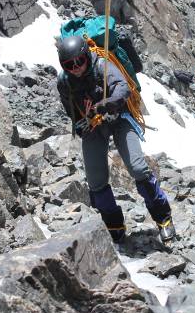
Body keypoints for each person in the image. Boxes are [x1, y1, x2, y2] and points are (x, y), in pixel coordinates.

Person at [55, 35, 176, 243]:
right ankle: (114, 226)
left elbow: (123, 88)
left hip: (120, 118)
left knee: (138, 168)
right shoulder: (64, 82)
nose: (75, 67)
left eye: (79, 61)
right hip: (93, 125)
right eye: (69, 65)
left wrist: (108, 103)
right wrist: (82, 124)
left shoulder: (102, 64)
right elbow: (71, 111)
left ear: (86, 56)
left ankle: (163, 219)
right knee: (95, 181)